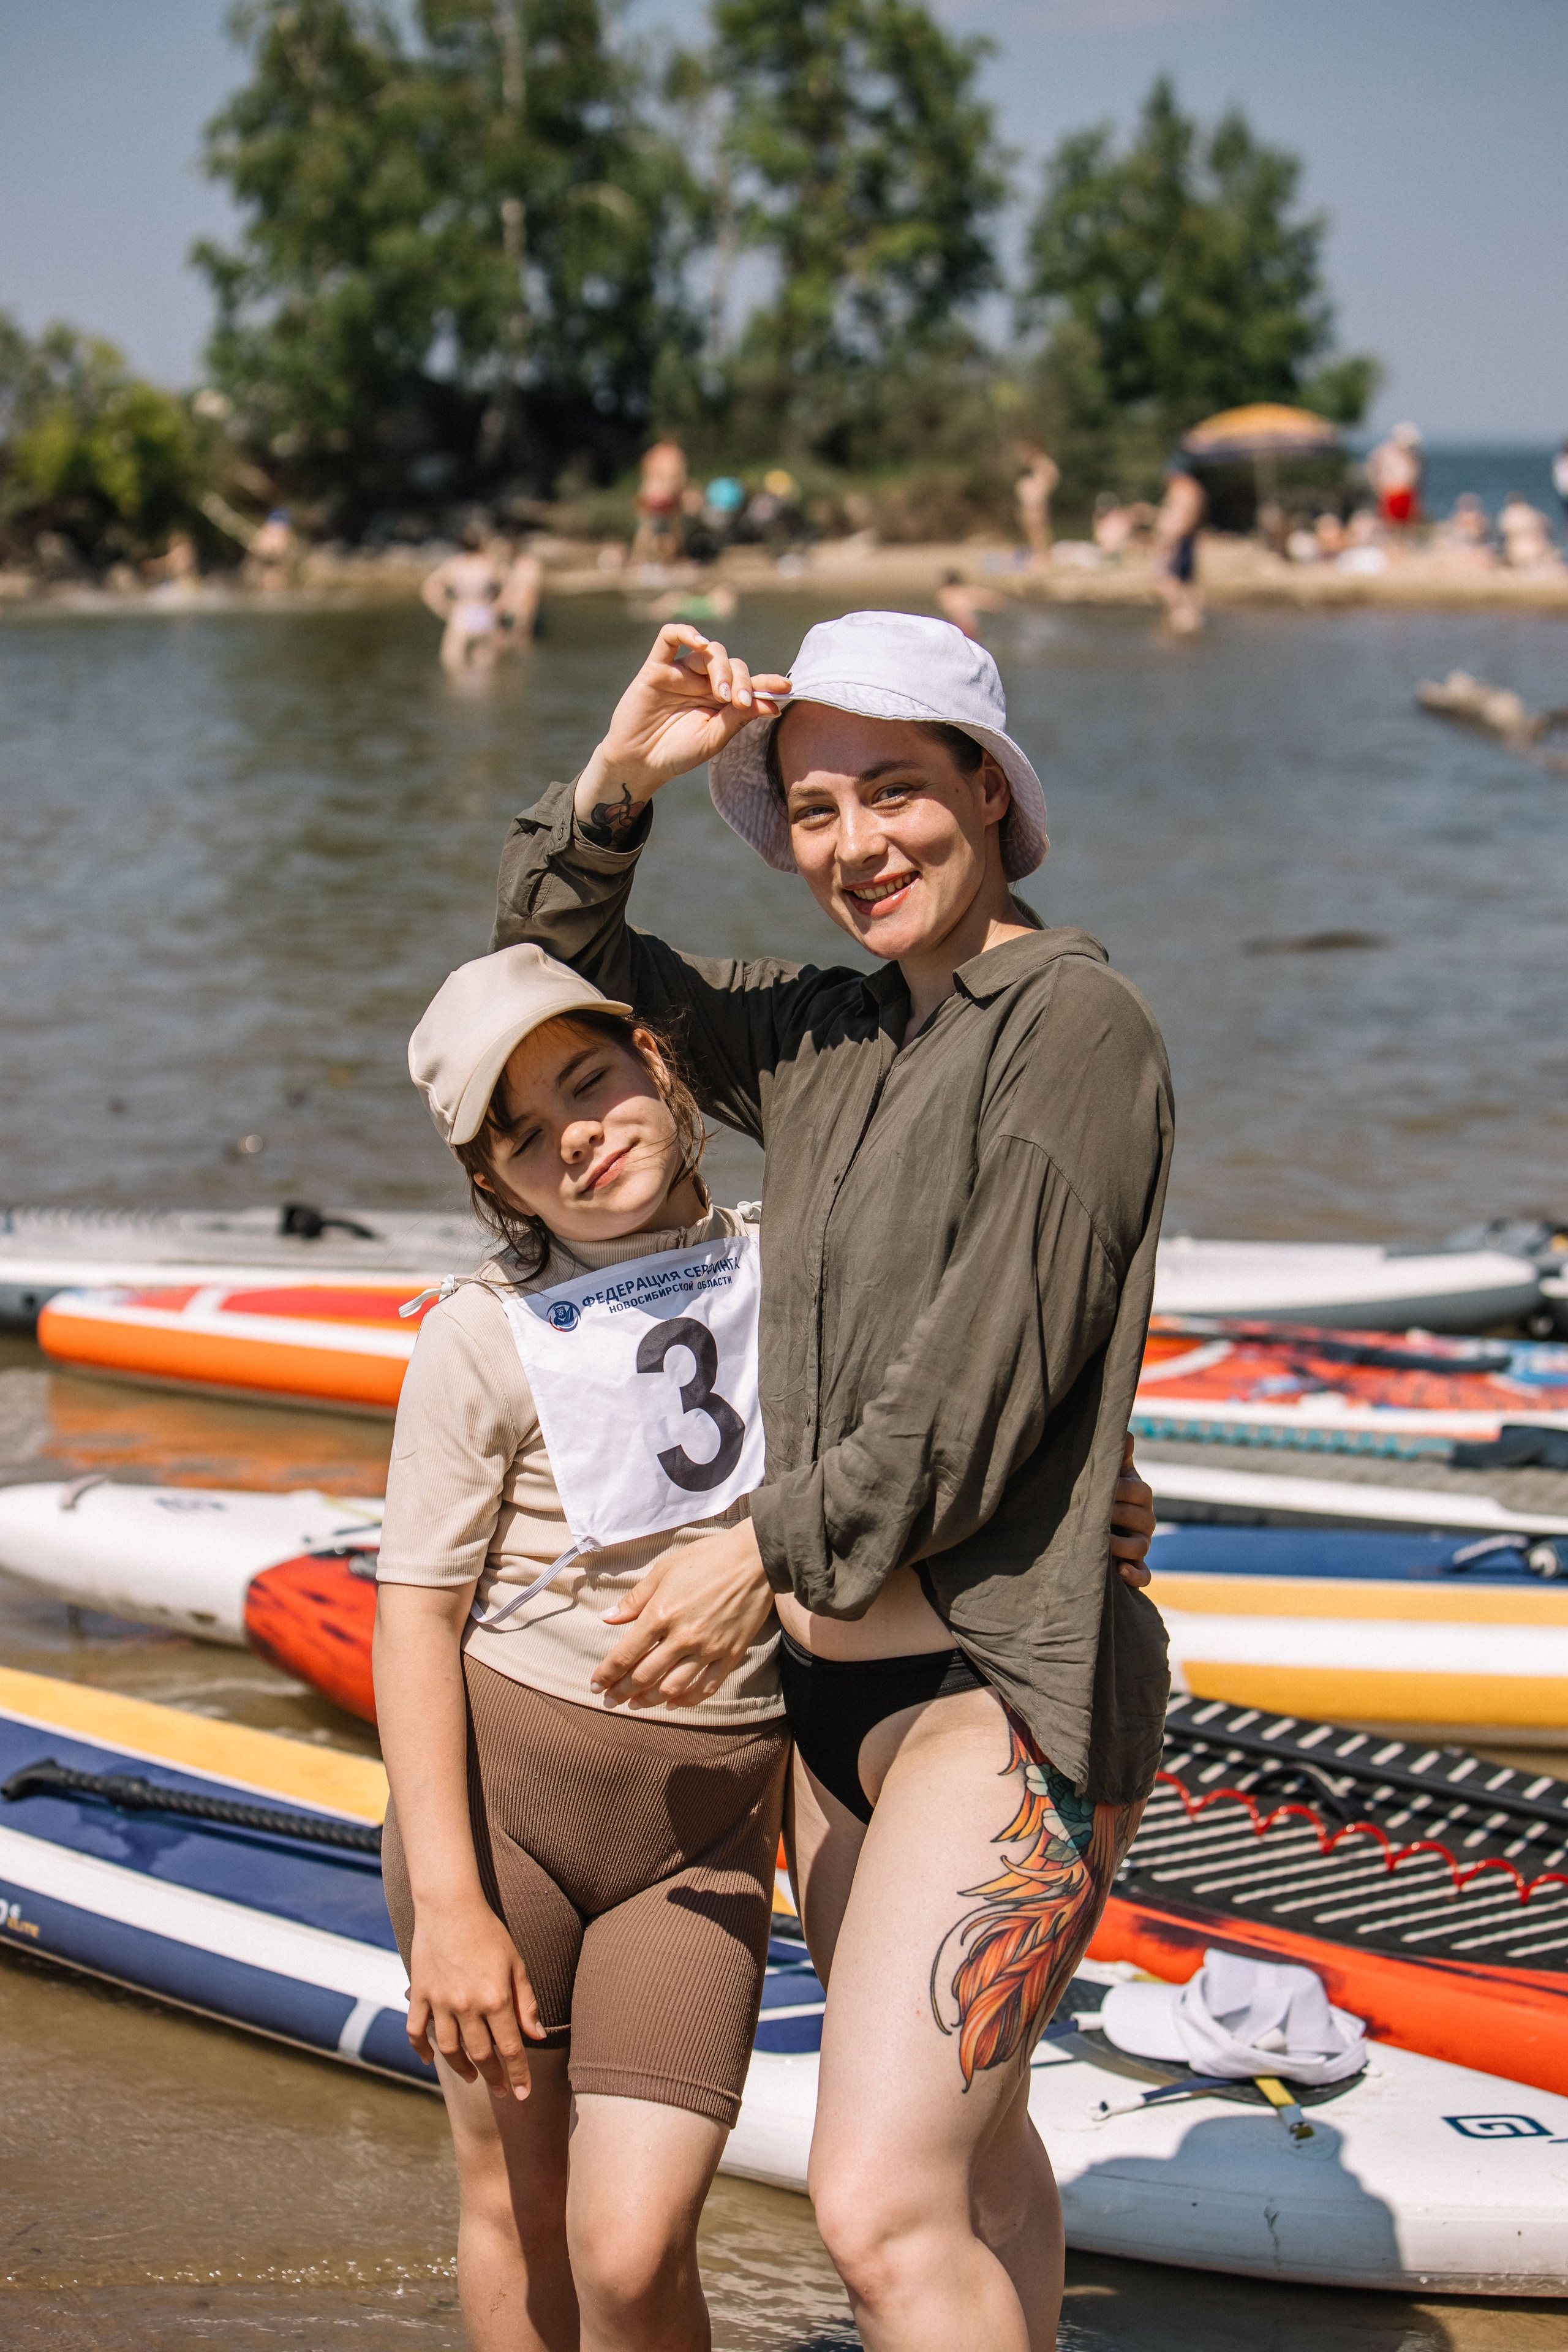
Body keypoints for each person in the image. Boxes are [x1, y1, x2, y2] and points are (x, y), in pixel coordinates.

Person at [491, 612, 1173, 2351]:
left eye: (897, 790)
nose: (857, 844)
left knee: (879, 2206)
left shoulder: (1075, 1025)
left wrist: (749, 1549)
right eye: (812, 810)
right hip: (832, 1719)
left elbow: (963, 1408)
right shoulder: (830, 1039)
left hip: (992, 1703)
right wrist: (618, 783)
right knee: (979, 2164)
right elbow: (559, 982)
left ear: (990, 793)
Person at [421, 524, 507, 674]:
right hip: (485, 612)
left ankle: (462, 696)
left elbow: (429, 588)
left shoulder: (456, 564)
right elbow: (508, 586)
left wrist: (445, 608)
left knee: (453, 664)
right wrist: (498, 606)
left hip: (462, 612)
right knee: (485, 666)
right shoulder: (489, 563)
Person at [1155, 460, 1206, 633]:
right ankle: (1192, 618)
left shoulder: (1182, 489)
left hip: (1178, 539)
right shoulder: (1195, 489)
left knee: (1168, 579)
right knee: (1187, 580)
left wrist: (1169, 540)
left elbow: (1182, 517)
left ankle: (1182, 619)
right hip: (1187, 538)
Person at [630, 437, 688, 567]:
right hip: (667, 495)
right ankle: (678, 559)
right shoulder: (674, 455)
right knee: (674, 529)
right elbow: (678, 479)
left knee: (645, 529)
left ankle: (638, 560)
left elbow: (644, 475)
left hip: (649, 494)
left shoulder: (652, 454)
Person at [1365, 422, 1423, 527]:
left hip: (1406, 493)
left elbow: (1415, 476)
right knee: (1389, 524)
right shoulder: (1383, 452)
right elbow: (1371, 469)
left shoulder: (1412, 455)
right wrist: (1378, 488)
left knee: (1406, 525)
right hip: (1390, 493)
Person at [1015, 444, 1060, 567]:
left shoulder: (1041, 462)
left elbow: (1053, 475)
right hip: (1031, 502)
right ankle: (1038, 557)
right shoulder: (1032, 466)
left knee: (1038, 531)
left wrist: (1042, 490)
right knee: (1033, 531)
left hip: (1035, 503)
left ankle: (1043, 558)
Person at [936, 570, 1008, 642]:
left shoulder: (943, 594)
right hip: (968, 627)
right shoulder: (961, 593)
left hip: (954, 626)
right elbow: (988, 598)